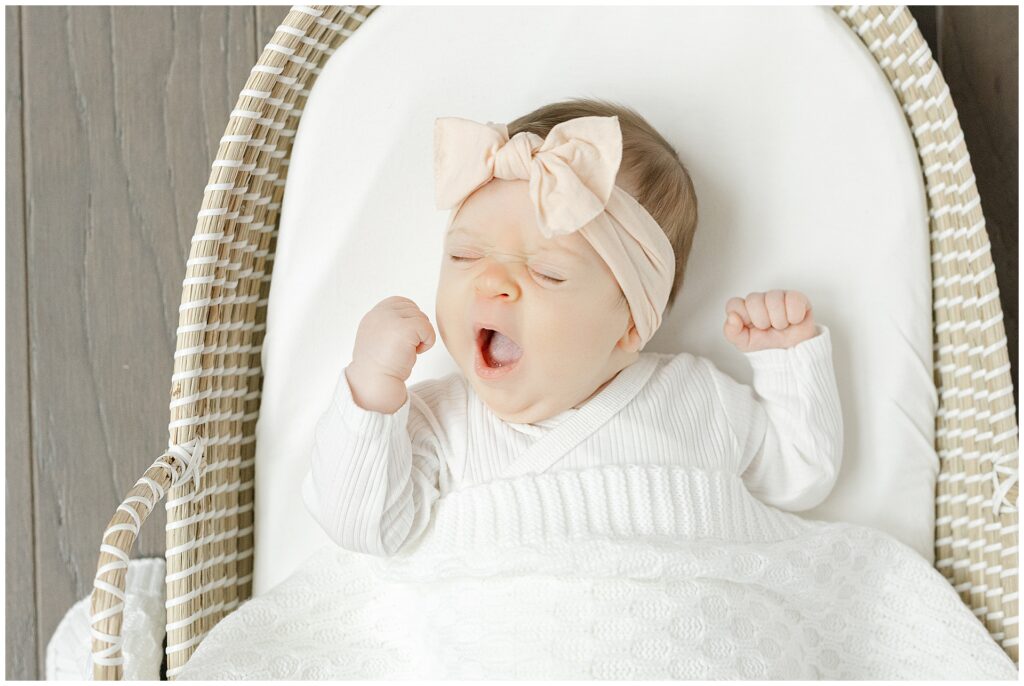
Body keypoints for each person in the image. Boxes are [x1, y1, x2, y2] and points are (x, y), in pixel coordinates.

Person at [301, 97, 842, 557]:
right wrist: (371, 386)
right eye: (464, 256)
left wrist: (787, 359)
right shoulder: (438, 422)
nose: (492, 282)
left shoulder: (695, 399)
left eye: (546, 271)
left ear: (629, 326)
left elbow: (801, 476)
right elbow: (363, 527)